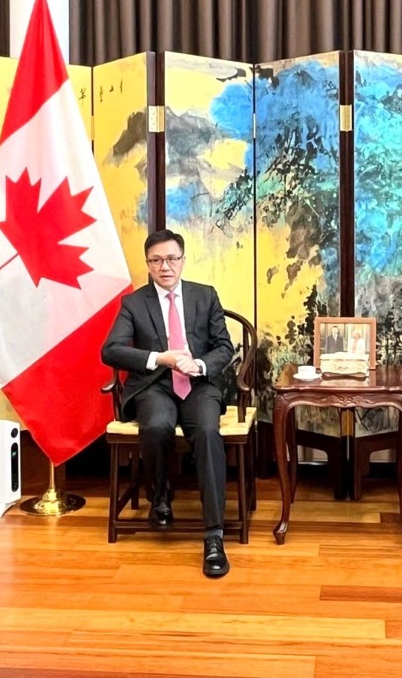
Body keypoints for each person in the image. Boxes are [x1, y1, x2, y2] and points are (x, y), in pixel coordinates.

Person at [102, 229, 235, 577]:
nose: (165, 266)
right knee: (158, 424)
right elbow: (110, 350)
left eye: (172, 258)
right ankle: (160, 497)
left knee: (207, 431)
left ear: (183, 260)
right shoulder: (134, 302)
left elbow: (225, 347)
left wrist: (200, 364)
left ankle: (214, 535)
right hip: (153, 386)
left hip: (199, 384)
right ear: (148, 265)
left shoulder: (204, 297)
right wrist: (159, 358)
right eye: (157, 260)